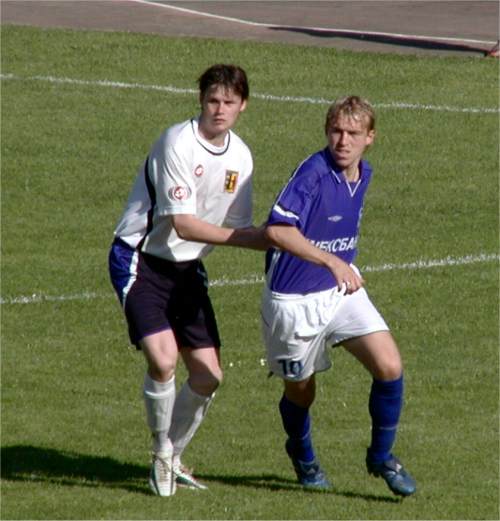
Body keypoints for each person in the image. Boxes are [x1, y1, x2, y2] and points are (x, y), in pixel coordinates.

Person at [108, 64, 267, 497]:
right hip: (141, 260)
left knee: (208, 376)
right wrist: (258, 241)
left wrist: (282, 240)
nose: (220, 109)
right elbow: (183, 224)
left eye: (229, 102)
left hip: (187, 269)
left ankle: (173, 456)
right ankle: (161, 451)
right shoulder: (176, 142)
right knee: (163, 361)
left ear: (243, 105)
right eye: (213, 100)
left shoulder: (241, 158)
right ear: (201, 100)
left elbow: (240, 224)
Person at [260, 96, 416, 497]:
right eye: (336, 131)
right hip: (293, 303)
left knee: (389, 365)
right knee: (301, 392)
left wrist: (338, 267)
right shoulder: (312, 174)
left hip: (341, 290)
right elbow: (277, 230)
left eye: (353, 133)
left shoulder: (364, 174)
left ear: (370, 137)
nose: (343, 141)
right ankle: (302, 454)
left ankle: (381, 457)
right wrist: (331, 260)